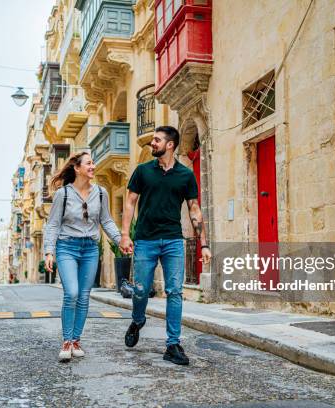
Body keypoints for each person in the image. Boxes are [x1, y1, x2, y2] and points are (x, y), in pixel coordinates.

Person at [119, 126, 212, 366]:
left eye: (157, 140)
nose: (153, 143)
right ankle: (138, 320)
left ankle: (172, 344)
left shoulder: (185, 175)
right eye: (153, 140)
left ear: (170, 145)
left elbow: (194, 209)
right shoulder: (142, 171)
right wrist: (125, 235)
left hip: (172, 241)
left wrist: (204, 244)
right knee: (140, 290)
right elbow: (130, 202)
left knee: (175, 291)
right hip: (145, 240)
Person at [43, 152, 121, 362]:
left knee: (84, 296)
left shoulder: (102, 193)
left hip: (90, 249)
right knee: (72, 293)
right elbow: (53, 224)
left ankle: (76, 340)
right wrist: (49, 251)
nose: (93, 166)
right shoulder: (63, 194)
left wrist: (119, 239)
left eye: (93, 163)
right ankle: (66, 341)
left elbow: (107, 220)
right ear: (77, 168)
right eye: (89, 163)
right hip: (67, 247)